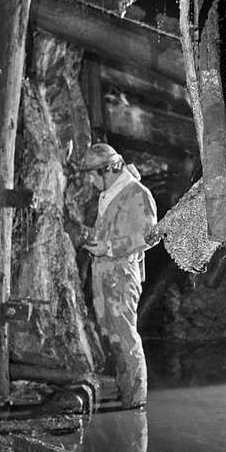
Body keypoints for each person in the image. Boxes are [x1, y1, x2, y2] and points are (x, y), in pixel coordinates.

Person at [78, 143, 157, 408]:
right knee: (112, 336)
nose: (90, 180)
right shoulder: (109, 192)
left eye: (92, 174)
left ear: (108, 169)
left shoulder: (137, 193)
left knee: (126, 336)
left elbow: (149, 236)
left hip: (122, 276)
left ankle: (135, 401)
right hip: (104, 272)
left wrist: (109, 247)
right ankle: (125, 391)